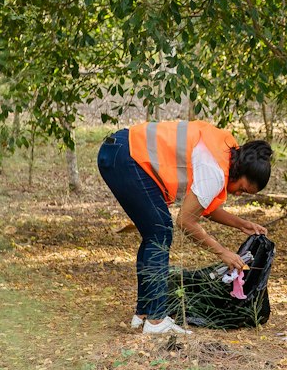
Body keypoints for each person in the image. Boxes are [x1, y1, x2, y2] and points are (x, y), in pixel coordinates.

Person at [97, 119, 272, 336]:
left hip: (119, 150)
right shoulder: (214, 171)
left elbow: (204, 207)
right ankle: (156, 319)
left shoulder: (225, 153)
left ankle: (143, 315)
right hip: (127, 157)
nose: (237, 194)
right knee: (159, 232)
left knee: (155, 233)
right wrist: (223, 253)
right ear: (240, 171)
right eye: (243, 189)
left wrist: (242, 224)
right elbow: (186, 221)